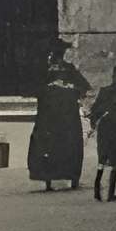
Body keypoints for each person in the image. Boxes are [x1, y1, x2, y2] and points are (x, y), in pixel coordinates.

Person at [27, 43, 89, 192]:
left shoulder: (68, 70)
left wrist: (66, 88)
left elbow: (82, 88)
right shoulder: (46, 71)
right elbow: (35, 89)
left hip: (60, 116)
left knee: (60, 145)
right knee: (55, 145)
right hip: (55, 116)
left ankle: (66, 178)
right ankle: (53, 179)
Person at [89, 68, 116, 203]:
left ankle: (97, 191)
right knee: (115, 160)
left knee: (102, 157)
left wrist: (93, 124)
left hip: (104, 126)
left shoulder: (104, 91)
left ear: (113, 77)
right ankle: (110, 193)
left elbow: (94, 110)